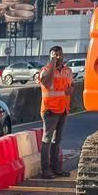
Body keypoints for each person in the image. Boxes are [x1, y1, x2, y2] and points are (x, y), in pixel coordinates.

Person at [37, 46, 73, 178]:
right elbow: (46, 82)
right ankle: (45, 170)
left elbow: (71, 85)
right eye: (55, 55)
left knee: (57, 141)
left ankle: (56, 168)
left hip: (63, 109)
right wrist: (52, 63)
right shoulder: (45, 70)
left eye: (60, 55)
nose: (58, 57)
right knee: (47, 140)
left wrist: (71, 90)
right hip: (50, 110)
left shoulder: (67, 71)